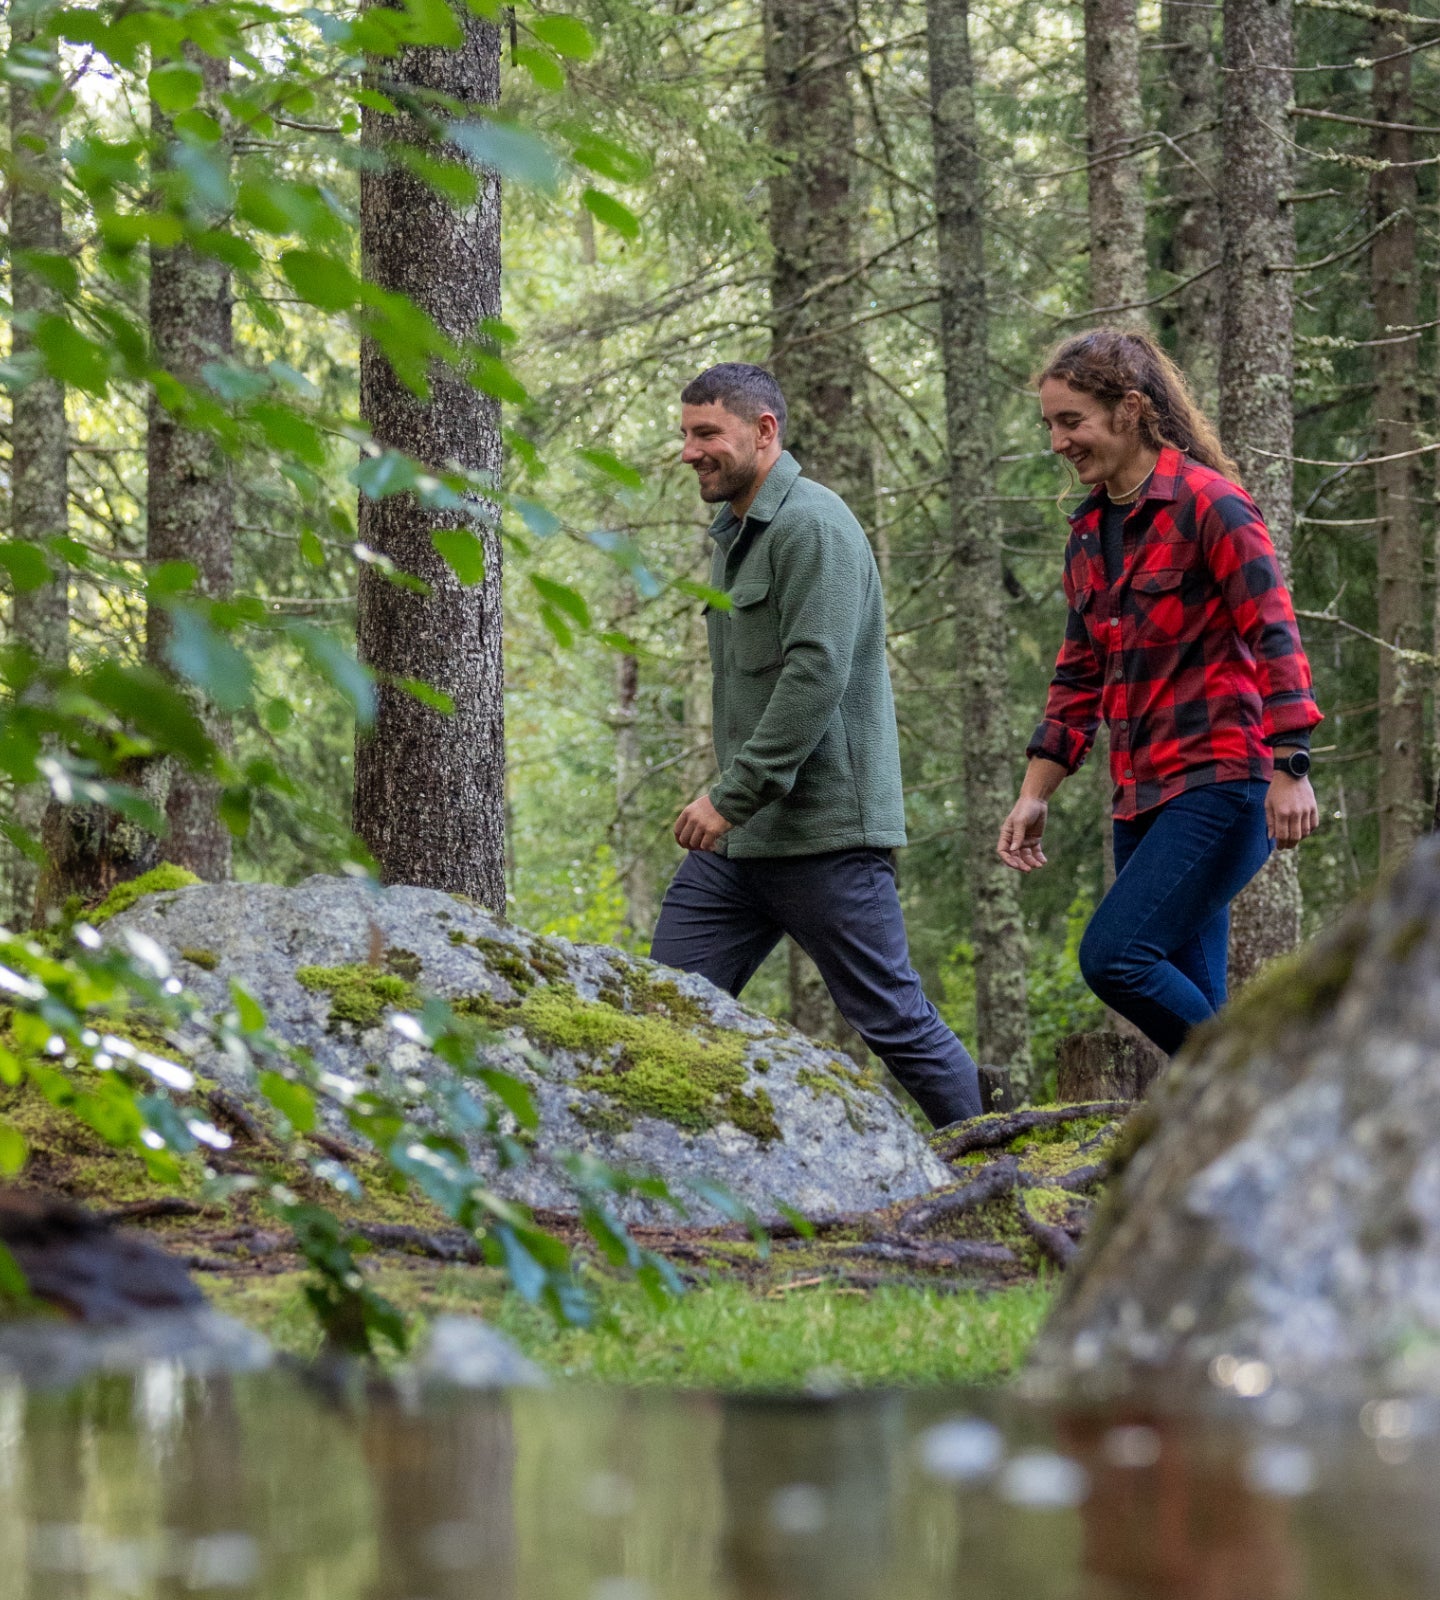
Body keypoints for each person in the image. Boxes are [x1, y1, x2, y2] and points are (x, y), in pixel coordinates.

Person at [650, 362, 982, 1127]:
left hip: (825, 835)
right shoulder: (734, 534)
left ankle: (1006, 1164)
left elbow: (815, 675)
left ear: (764, 432)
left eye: (707, 434)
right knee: (664, 1005)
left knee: (894, 1022)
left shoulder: (813, 525)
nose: (689, 452)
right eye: (685, 434)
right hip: (741, 848)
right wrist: (735, 809)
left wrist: (729, 797)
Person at [998, 328, 1322, 1055]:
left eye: (1070, 420)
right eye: (1049, 424)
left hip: (1223, 783)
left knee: (1115, 957)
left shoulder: (1213, 505)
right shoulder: (1086, 534)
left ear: (1131, 409)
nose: (1057, 441)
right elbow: (1078, 676)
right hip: (1139, 798)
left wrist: (1291, 764)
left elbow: (1276, 633)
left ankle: (1264, 1095)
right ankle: (1236, 1153)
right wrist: (1035, 791)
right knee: (1194, 1012)